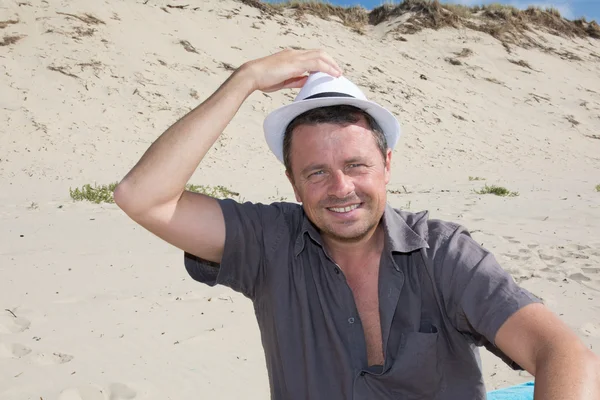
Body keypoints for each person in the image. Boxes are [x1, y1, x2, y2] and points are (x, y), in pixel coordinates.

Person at [114, 49, 600, 399]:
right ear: (293, 183)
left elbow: (564, 354)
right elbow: (143, 197)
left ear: (387, 164)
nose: (341, 187)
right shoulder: (270, 243)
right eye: (317, 172)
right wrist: (244, 79)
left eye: (357, 165)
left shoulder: (443, 253)